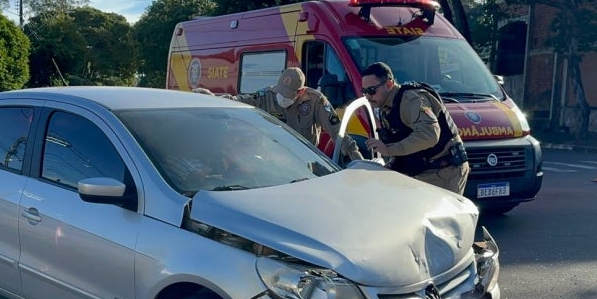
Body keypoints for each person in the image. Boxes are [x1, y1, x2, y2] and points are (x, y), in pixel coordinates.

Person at [195, 67, 363, 163]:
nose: (282, 98)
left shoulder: (315, 101)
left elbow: (337, 130)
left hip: (305, 162)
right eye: (280, 92)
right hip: (273, 163)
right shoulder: (267, 95)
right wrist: (211, 97)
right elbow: (238, 101)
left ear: (301, 91)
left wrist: (355, 155)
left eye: (288, 94)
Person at [361, 62, 469, 194]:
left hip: (444, 172)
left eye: (371, 91)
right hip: (423, 172)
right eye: (364, 91)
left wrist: (389, 149)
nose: (367, 96)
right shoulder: (386, 106)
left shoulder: (411, 100)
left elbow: (430, 134)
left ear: (389, 84)